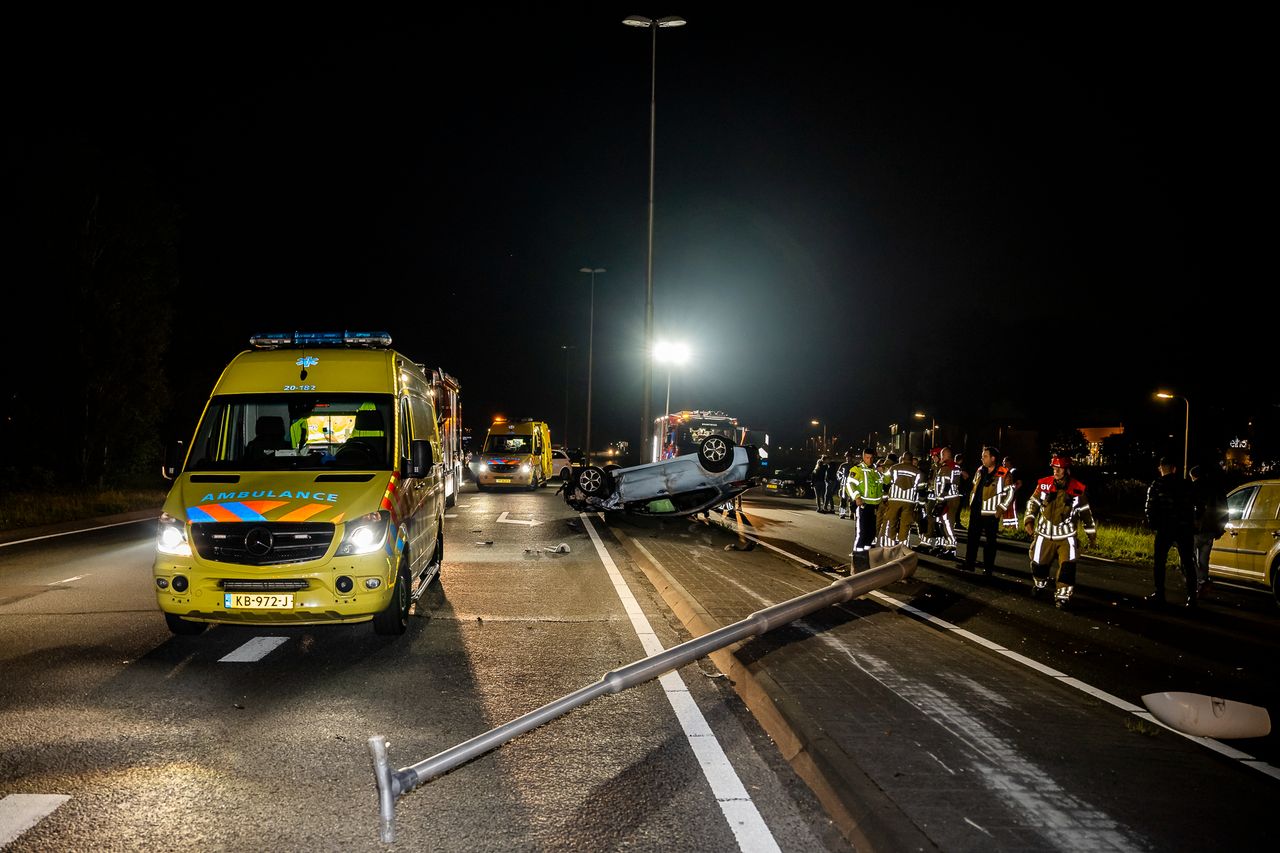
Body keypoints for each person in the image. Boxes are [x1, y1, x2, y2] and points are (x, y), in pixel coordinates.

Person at [1023, 454, 1097, 609]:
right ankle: (1040, 584)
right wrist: (1029, 520)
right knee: (1038, 565)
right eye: (1054, 468)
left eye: (1059, 468)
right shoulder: (1043, 485)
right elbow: (1033, 502)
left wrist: (1091, 535)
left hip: (1067, 537)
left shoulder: (1077, 489)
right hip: (1044, 535)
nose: (1056, 471)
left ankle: (1062, 596)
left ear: (1067, 470)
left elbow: (1086, 513)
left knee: (1067, 569)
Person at [1145, 456, 1197, 608]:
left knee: (1160, 561)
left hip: (1165, 527)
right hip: (1184, 527)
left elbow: (1150, 507)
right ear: (1174, 468)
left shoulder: (1157, 484)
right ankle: (1192, 596)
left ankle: (1160, 593)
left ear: (1161, 468)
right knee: (1188, 562)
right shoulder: (1186, 484)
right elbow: (1197, 504)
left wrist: (1154, 524)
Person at [959, 446, 1014, 575]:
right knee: (972, 539)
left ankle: (988, 568)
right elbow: (974, 486)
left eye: (985, 456)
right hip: (976, 510)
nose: (982, 458)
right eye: (982, 456)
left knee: (990, 542)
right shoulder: (980, 470)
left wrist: (1001, 508)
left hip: (991, 513)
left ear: (993, 458)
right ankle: (969, 564)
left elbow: (1010, 493)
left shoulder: (1004, 473)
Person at [1189, 464, 1228, 598]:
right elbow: (1224, 511)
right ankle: (1203, 581)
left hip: (1195, 531)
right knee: (1204, 559)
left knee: (1189, 558)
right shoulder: (1216, 489)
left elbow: (1189, 508)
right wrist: (1219, 529)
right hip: (1211, 531)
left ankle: (1197, 582)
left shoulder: (1193, 488)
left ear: (1193, 476)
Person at [844, 446, 884, 565]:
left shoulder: (876, 472)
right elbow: (849, 485)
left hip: (875, 506)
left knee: (871, 532)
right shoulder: (857, 470)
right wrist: (857, 497)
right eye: (867, 457)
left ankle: (866, 554)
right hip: (863, 505)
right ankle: (857, 555)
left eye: (872, 458)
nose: (870, 460)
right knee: (862, 532)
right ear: (863, 457)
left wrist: (884, 472)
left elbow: (885, 483)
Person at [923, 446, 962, 557]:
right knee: (944, 523)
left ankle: (951, 547)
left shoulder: (946, 467)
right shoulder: (956, 466)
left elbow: (945, 484)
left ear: (945, 455)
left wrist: (940, 499)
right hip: (953, 497)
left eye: (941, 455)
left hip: (948, 499)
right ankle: (946, 546)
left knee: (947, 523)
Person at [881, 451, 923, 547]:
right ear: (912, 460)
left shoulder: (894, 468)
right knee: (905, 524)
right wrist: (920, 502)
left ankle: (889, 545)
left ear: (903, 458)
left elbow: (885, 481)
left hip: (894, 499)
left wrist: (884, 498)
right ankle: (902, 547)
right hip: (909, 500)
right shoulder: (917, 471)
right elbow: (921, 487)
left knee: (891, 522)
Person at [1001, 455, 1022, 528]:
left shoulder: (1014, 471)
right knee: (1004, 509)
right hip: (1004, 494)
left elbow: (1019, 483)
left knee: (1011, 509)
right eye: (1003, 461)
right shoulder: (1004, 471)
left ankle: (1014, 526)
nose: (1003, 462)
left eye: (1004, 461)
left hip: (1012, 494)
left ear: (1009, 462)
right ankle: (1006, 525)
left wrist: (1013, 491)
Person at [835, 450, 854, 519]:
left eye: (849, 457)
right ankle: (842, 513)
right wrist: (841, 479)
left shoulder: (855, 466)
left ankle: (851, 513)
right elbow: (838, 474)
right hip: (844, 485)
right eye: (847, 457)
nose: (847, 458)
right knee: (843, 499)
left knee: (852, 500)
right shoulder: (843, 465)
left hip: (852, 485)